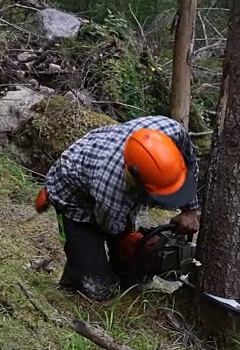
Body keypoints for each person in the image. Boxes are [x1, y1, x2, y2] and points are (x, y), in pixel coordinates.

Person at [44, 115, 201, 301]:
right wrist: (133, 244)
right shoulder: (111, 189)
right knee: (99, 288)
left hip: (110, 164)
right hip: (74, 197)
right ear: (136, 181)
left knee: (132, 277)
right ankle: (78, 267)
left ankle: (106, 265)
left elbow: (190, 162)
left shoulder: (173, 131)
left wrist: (189, 209)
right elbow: (110, 226)